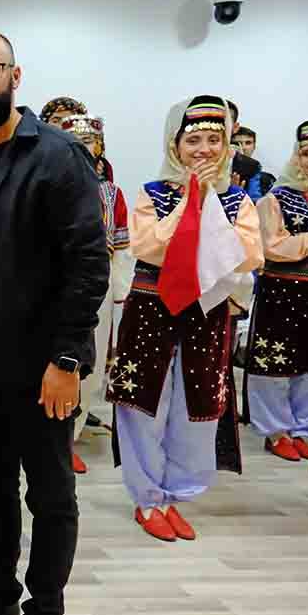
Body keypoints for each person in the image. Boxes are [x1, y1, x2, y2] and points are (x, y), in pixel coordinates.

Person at [0, 31, 107, 615]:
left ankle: (45, 612)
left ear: (15, 76)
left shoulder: (58, 155)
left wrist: (67, 359)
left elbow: (89, 263)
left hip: (44, 366)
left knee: (51, 495)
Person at [107, 96, 262, 544]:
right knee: (144, 403)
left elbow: (249, 255)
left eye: (214, 140)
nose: (204, 150)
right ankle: (146, 497)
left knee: (196, 403)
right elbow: (149, 247)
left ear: (227, 144)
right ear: (175, 145)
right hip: (150, 307)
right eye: (193, 140)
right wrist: (190, 201)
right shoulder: (152, 194)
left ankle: (174, 493)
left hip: (206, 312)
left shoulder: (238, 201)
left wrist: (210, 202)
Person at [246, 119, 308, 462]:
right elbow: (272, 247)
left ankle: (305, 428)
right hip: (282, 290)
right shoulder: (276, 198)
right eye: (307, 153)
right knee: (274, 362)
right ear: (296, 157)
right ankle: (275, 430)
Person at [61, 114, 132, 474]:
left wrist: (118, 291)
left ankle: (70, 437)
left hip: (95, 288)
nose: (82, 148)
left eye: (88, 141)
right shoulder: (50, 184)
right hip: (53, 288)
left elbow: (122, 246)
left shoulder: (112, 194)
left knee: (86, 364)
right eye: (74, 141)